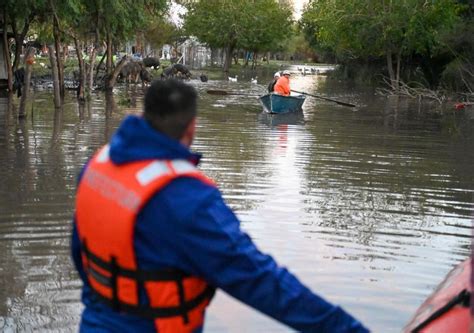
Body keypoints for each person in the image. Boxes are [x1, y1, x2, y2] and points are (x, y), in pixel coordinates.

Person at [71, 79, 369, 333]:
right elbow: (260, 280)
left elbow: (79, 250)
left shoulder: (99, 166)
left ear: (145, 114)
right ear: (192, 126)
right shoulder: (187, 200)